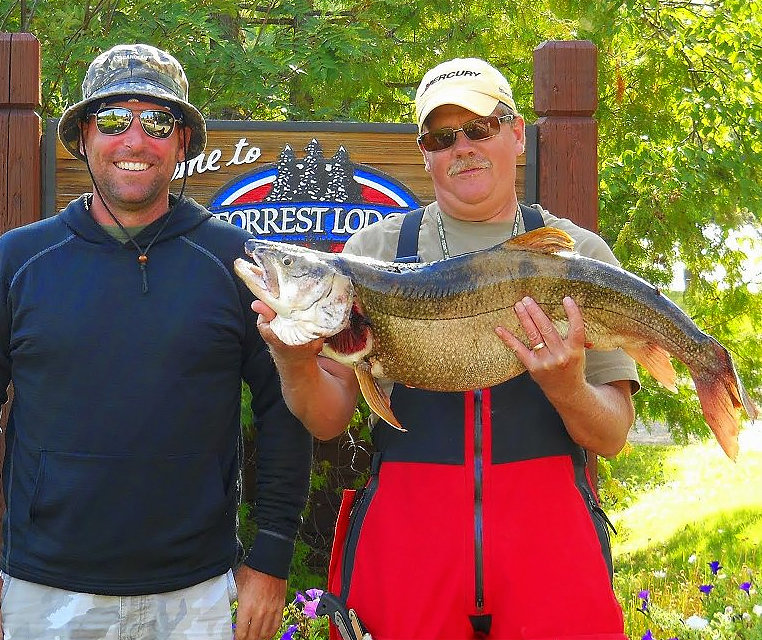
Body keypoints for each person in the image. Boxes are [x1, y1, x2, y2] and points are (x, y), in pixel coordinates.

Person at [252, 57, 639, 639]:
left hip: (547, 547)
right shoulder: (374, 252)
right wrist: (291, 358)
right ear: (425, 152)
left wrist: (567, 388)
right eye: (442, 136)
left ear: (515, 134)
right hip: (408, 542)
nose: (463, 147)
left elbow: (611, 435)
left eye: (479, 128)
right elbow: (329, 419)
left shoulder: (578, 255)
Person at [0, 43, 312, 640]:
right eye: (114, 120)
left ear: (183, 141)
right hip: (45, 593)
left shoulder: (235, 263)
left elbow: (285, 410)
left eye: (157, 121)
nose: (134, 140)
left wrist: (271, 554)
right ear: (84, 136)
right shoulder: (18, 263)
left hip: (198, 593)